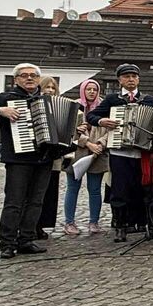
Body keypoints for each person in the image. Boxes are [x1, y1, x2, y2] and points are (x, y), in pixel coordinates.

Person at [0, 63, 53, 258]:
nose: (29, 78)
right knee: (14, 202)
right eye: (24, 75)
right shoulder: (6, 98)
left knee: (36, 202)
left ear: (38, 79)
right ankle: (7, 243)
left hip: (44, 158)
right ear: (16, 79)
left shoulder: (47, 100)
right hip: (18, 159)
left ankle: (26, 239)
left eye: (33, 75)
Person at [88, 64, 153, 243]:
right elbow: (91, 116)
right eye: (126, 76)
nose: (131, 79)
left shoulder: (149, 100)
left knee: (148, 190)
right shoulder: (112, 100)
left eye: (134, 76)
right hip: (120, 152)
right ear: (119, 80)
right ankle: (121, 227)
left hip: (143, 153)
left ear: (138, 79)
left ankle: (149, 225)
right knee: (120, 190)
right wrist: (102, 121)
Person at [64, 79, 108, 235]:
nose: (91, 92)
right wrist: (87, 143)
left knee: (95, 189)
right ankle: (69, 222)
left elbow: (111, 130)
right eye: (88, 89)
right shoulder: (74, 106)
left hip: (98, 153)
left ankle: (94, 222)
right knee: (72, 188)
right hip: (77, 153)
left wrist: (101, 144)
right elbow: (68, 130)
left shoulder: (104, 107)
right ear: (83, 90)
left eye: (94, 89)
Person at [36, 76, 67, 239]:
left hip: (54, 158)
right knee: (33, 193)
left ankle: (41, 225)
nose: (49, 90)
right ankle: (29, 225)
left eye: (52, 87)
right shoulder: (33, 104)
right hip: (34, 156)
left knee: (49, 193)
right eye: (46, 87)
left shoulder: (60, 105)